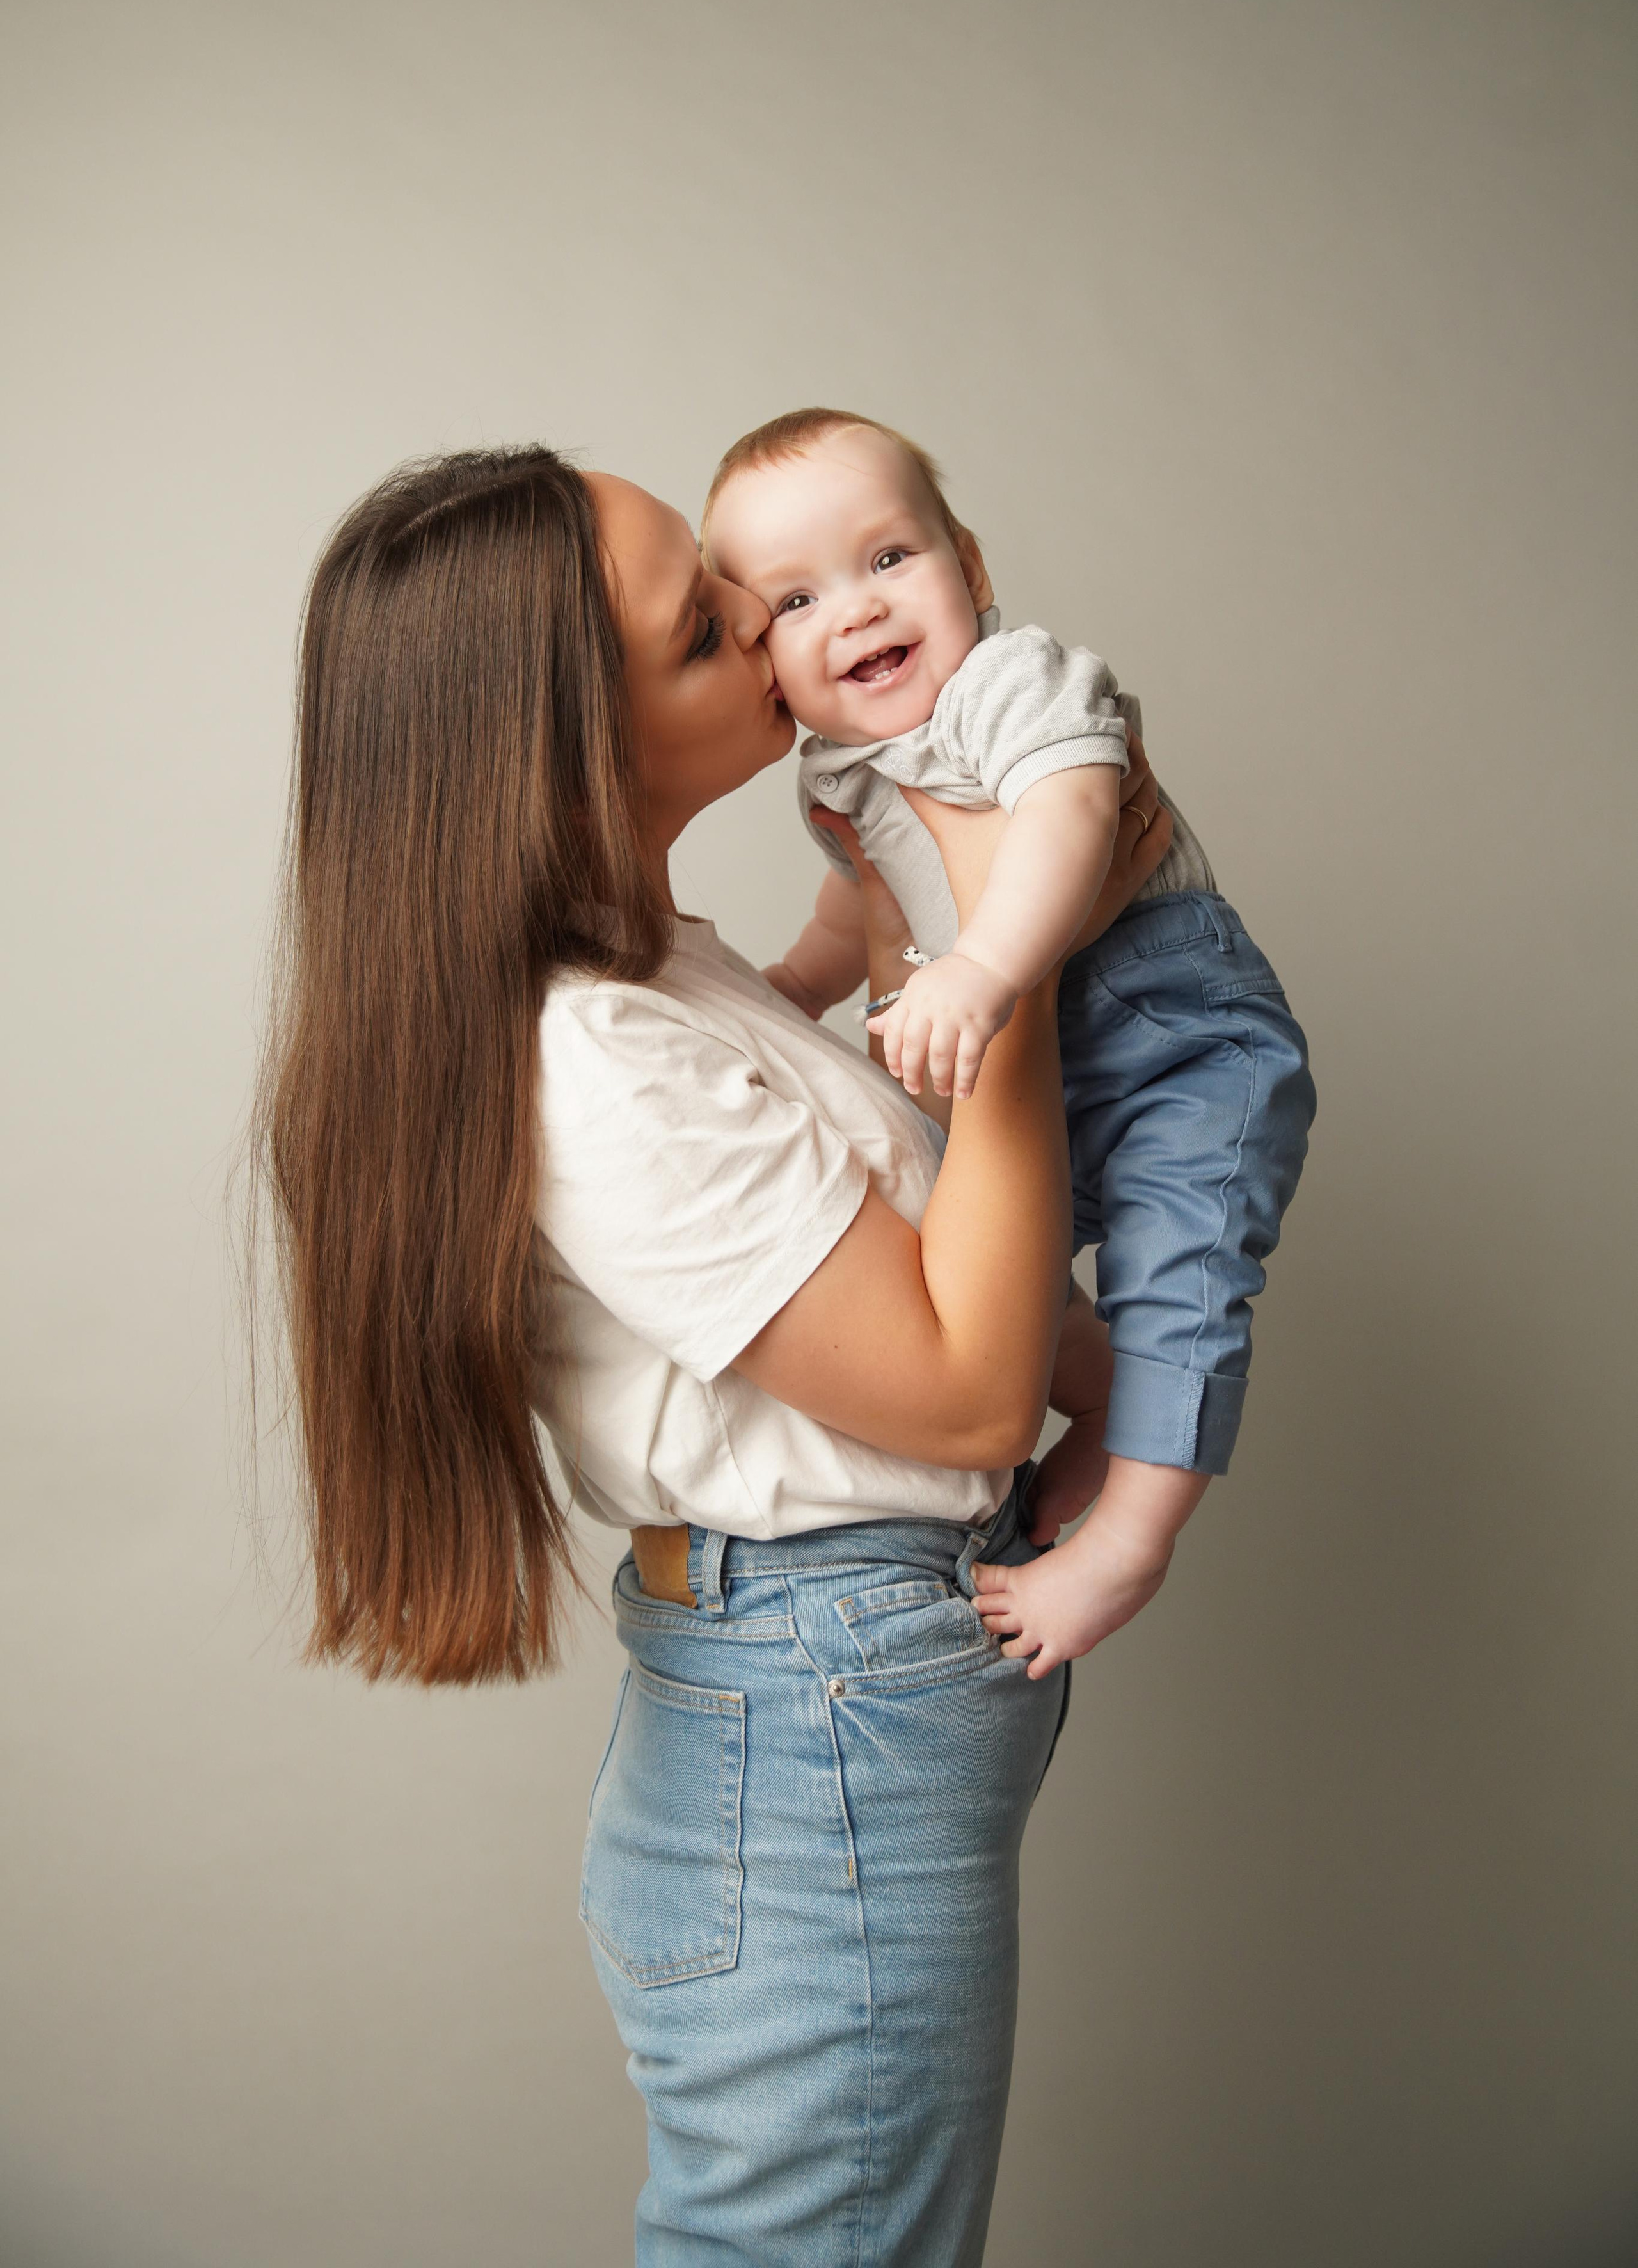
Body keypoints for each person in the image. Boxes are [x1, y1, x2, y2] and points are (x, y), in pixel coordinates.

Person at [257, 443, 1181, 2266]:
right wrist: (1015, 942)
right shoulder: (594, 1066)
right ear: (567, 750)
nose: (776, 623)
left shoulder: (673, 973)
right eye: (705, 625)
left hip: (838, 1688)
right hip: (821, 1699)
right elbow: (973, 1387)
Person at [703, 408, 1317, 1677]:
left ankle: (1128, 1541)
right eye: (799, 599)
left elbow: (1069, 815)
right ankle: (1081, 1430)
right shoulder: (834, 771)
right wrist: (799, 981)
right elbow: (855, 896)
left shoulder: (1007, 681)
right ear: (767, 664)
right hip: (1012, 1071)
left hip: (1170, 1040)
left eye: (888, 560)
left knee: (1174, 1277)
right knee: (983, 1278)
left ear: (968, 569)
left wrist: (981, 967)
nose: (858, 610)